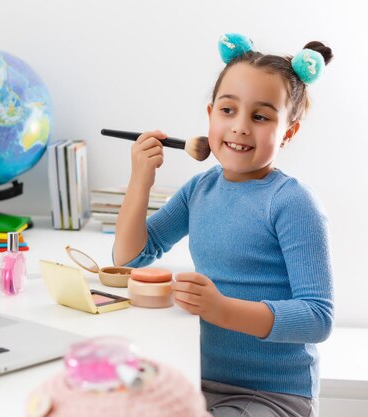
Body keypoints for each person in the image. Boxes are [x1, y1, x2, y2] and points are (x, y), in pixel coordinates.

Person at [113, 33, 334, 417]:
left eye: (261, 116)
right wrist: (140, 181)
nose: (240, 127)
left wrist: (221, 309)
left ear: (289, 132)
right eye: (228, 111)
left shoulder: (293, 203)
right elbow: (130, 257)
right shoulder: (200, 189)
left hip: (272, 395)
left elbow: (318, 317)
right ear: (211, 114)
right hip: (194, 378)